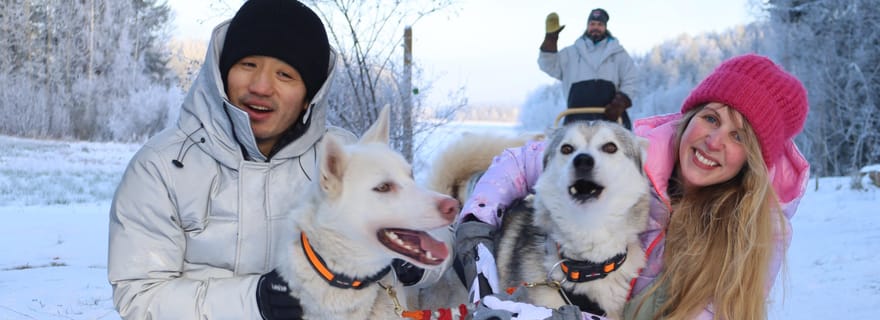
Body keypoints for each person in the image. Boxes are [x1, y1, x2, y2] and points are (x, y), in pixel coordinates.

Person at [107, 1, 424, 319]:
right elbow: (140, 297)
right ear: (222, 72)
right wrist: (254, 300)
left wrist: (415, 261)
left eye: (285, 74)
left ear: (309, 96)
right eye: (247, 64)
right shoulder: (163, 167)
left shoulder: (344, 158)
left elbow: (427, 231)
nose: (260, 87)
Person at [454, 54, 810, 319]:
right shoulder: (635, 154)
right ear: (690, 117)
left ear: (753, 160)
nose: (714, 141)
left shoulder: (755, 237)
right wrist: (477, 220)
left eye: (738, 137)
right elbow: (522, 161)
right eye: (711, 118)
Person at [539, 8, 638, 128]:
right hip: (575, 121)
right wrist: (551, 39)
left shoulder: (618, 54)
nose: (595, 27)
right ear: (587, 26)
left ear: (605, 27)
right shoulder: (571, 53)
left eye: (600, 24)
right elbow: (548, 65)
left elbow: (631, 80)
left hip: (611, 120)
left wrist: (620, 102)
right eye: (592, 24)